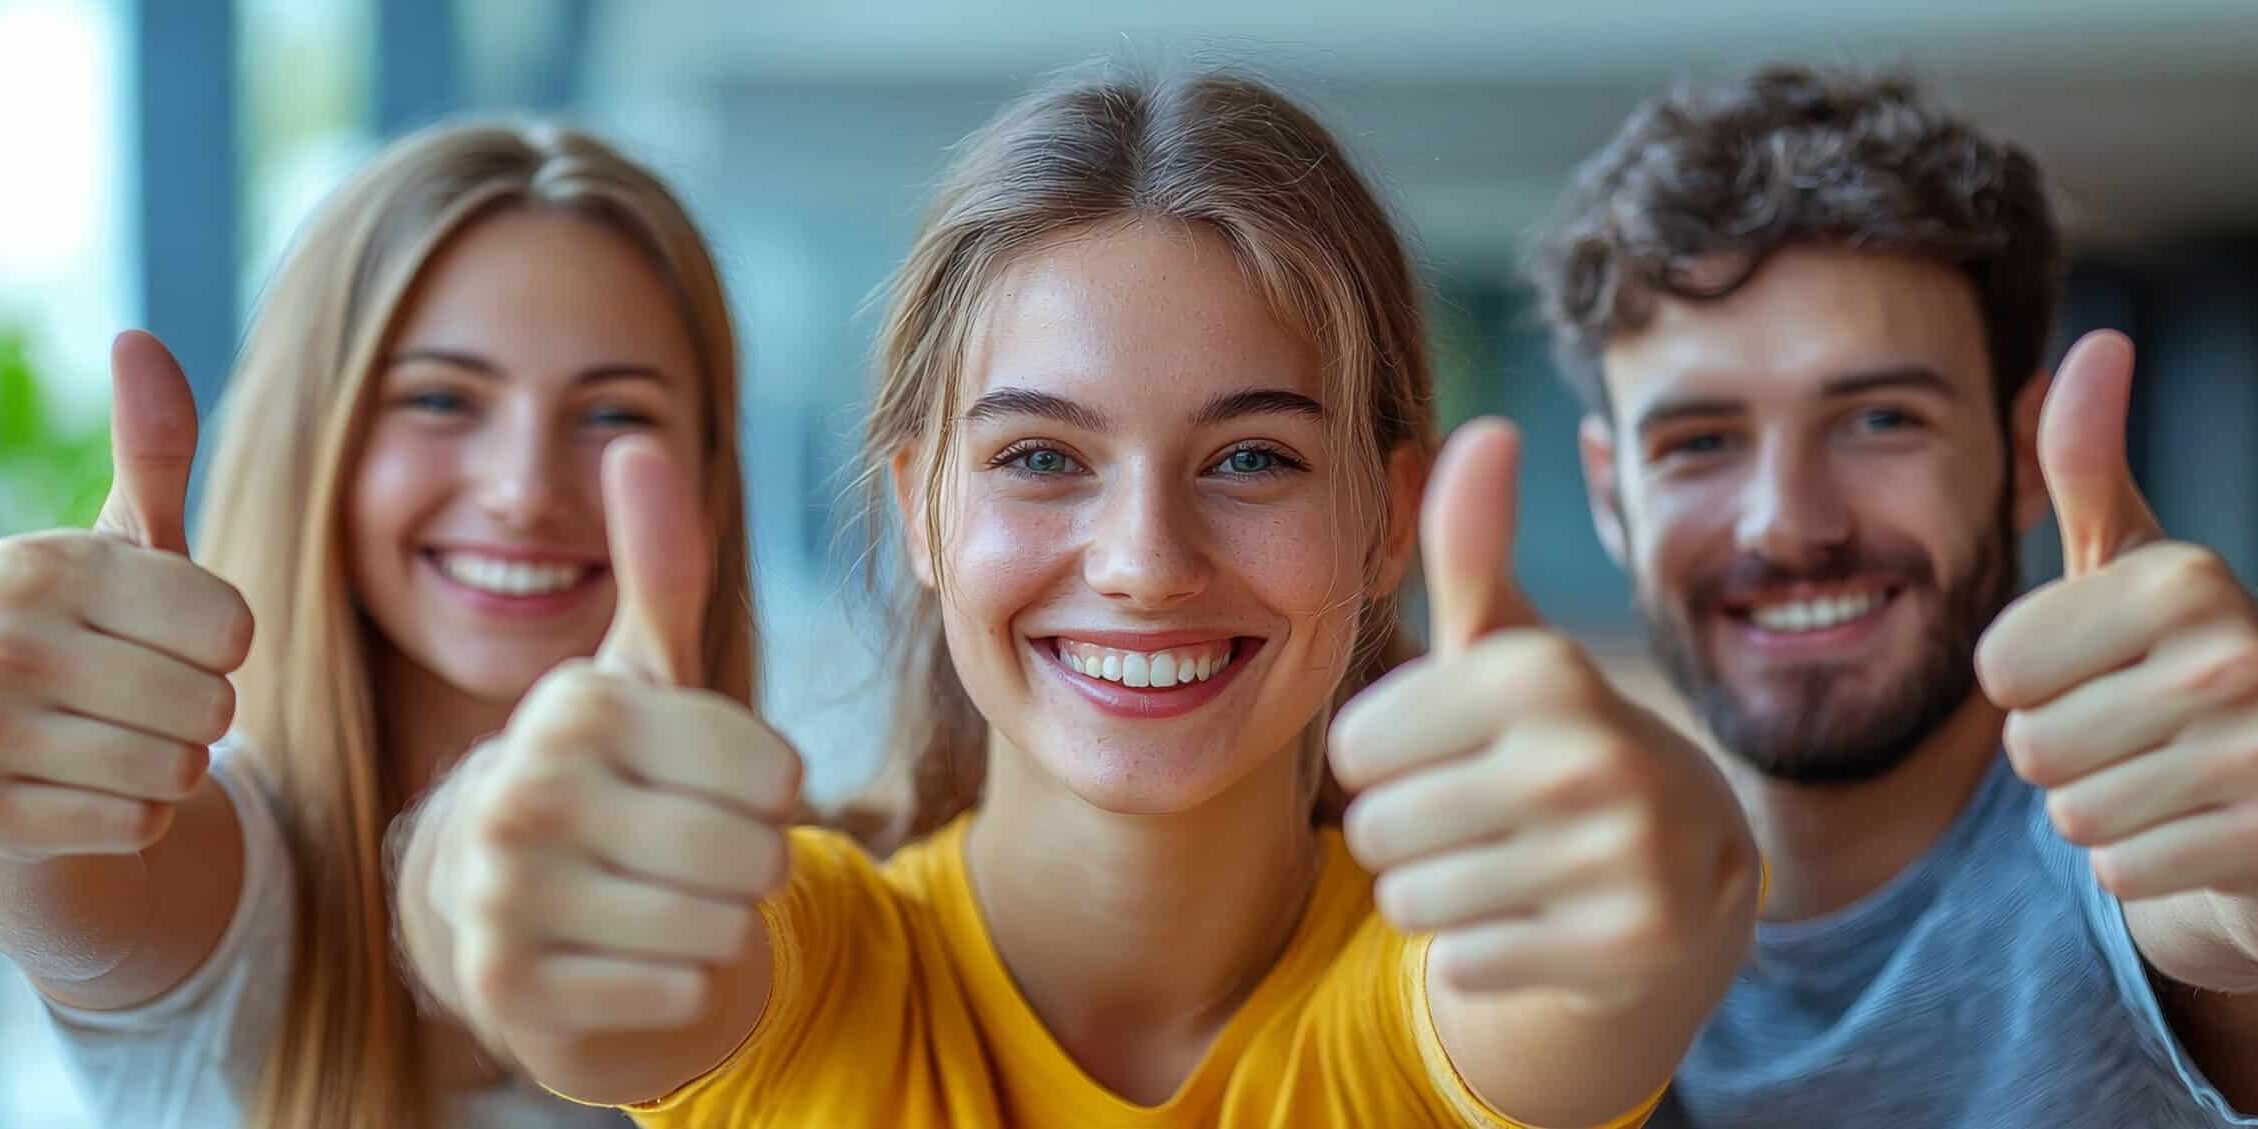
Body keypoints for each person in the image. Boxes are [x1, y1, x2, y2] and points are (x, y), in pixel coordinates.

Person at [390, 68, 1761, 1128]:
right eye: (1041, 457)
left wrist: (1690, 857)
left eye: (1250, 458)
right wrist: (473, 864)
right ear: (922, 503)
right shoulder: (813, 962)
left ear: (1386, 520)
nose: (1142, 560)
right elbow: (584, 973)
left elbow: (1591, 988)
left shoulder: (1440, 974)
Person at [1526, 63, 2258, 1127]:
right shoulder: (1563, 946)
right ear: (1609, 493)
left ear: (2016, 456)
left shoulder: (2128, 857)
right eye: (1700, 442)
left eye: (1879, 420)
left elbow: (2212, 918)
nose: (1785, 522)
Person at [0, 122, 761, 1129]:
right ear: (316, 443)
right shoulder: (216, 872)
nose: (524, 491)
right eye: (442, 399)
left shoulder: (813, 902)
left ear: (708, 474)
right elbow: (75, 894)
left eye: (613, 415)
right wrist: (29, 772)